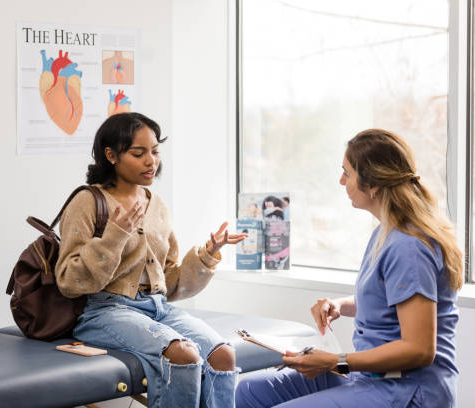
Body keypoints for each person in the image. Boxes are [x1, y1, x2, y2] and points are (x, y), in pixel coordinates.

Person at [236, 129, 463, 408]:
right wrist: (340, 305)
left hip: (408, 389)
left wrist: (336, 362)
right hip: (374, 378)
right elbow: (394, 302)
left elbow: (419, 349)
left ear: (373, 185)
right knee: (250, 391)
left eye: (347, 173)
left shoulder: (408, 246)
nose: (341, 181)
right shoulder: (386, 233)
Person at [55, 112, 247, 408]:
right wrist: (115, 236)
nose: (151, 161)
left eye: (155, 151)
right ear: (111, 155)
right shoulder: (87, 201)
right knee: (183, 355)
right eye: (138, 153)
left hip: (157, 308)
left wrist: (208, 254)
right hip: (105, 311)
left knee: (223, 355)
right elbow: (69, 281)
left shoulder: (156, 205)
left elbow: (170, 282)